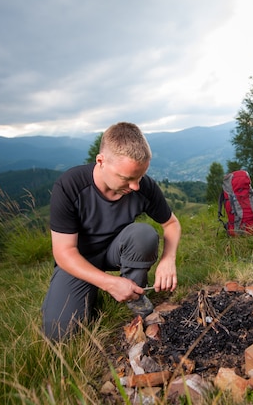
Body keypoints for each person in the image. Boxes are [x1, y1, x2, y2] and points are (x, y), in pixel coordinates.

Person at [41, 122, 181, 341]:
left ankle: (134, 301)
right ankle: (97, 291)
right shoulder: (70, 186)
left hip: (117, 250)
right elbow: (63, 252)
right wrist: (108, 283)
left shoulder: (143, 187)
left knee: (143, 234)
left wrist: (168, 259)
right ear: (101, 161)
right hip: (79, 260)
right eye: (126, 178)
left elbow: (171, 224)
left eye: (140, 177)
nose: (135, 186)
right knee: (60, 333)